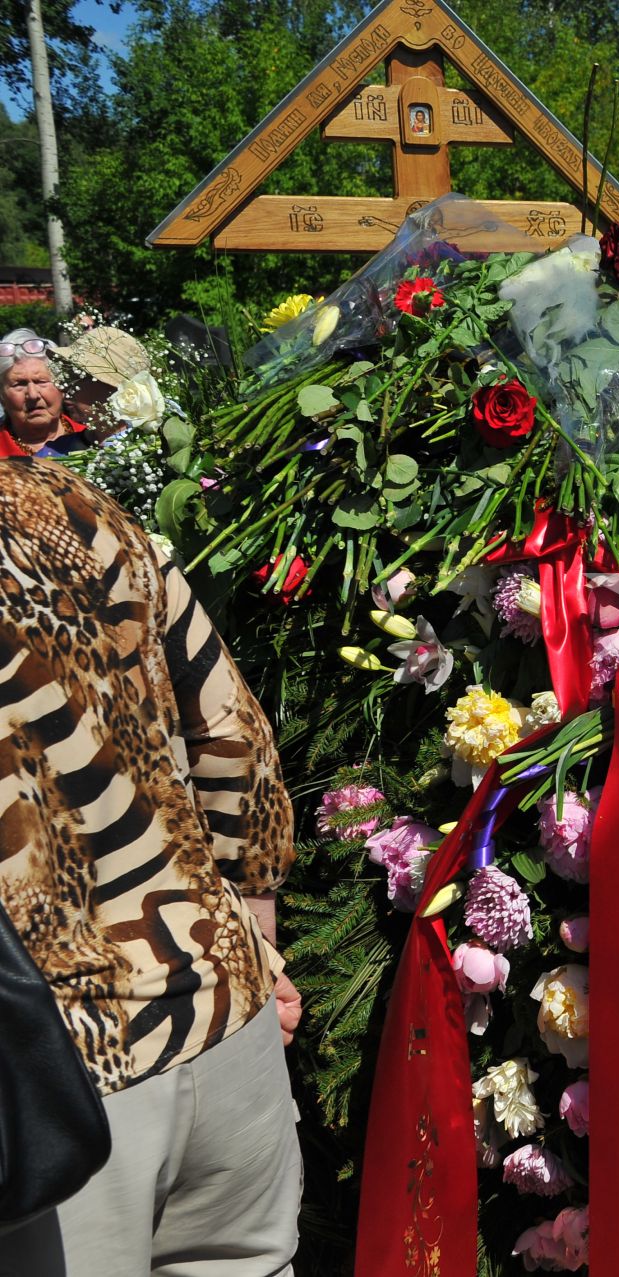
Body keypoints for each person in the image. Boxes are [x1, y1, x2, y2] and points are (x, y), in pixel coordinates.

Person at [0, 460, 303, 1274]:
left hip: (53, 1069)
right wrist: (251, 940)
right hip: (221, 1013)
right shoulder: (72, 500)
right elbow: (232, 730)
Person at [0, 329, 88, 456]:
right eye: (19, 384)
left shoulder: (94, 440)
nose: (33, 395)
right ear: (2, 396)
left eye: (41, 382)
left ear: (61, 387)